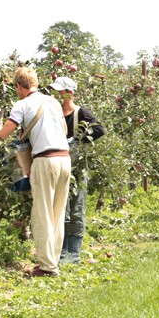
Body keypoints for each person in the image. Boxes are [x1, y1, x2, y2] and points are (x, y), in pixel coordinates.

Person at [0, 67, 71, 277]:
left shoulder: (22, 104)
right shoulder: (53, 101)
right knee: (57, 212)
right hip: (64, 159)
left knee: (42, 214)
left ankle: (47, 267)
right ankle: (52, 261)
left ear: (18, 86)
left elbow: (4, 133)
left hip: (45, 161)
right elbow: (64, 130)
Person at [48, 77, 105, 264]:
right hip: (58, 165)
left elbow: (99, 130)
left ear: (69, 93)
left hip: (78, 166)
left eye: (60, 92)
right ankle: (62, 252)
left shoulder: (81, 113)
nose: (57, 95)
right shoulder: (54, 114)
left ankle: (75, 253)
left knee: (77, 207)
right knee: (60, 208)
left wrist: (79, 141)